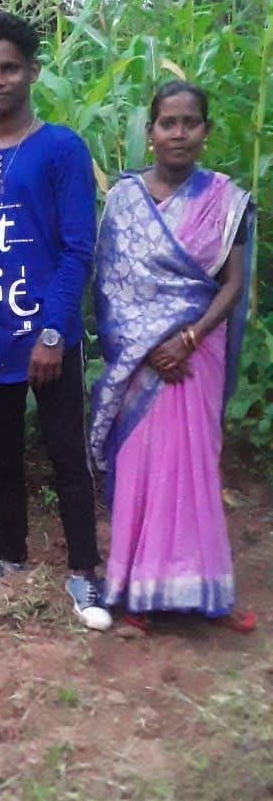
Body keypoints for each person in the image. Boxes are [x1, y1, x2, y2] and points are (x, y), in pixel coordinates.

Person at [0, 10, 111, 630]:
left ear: (33, 72)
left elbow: (77, 249)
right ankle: (10, 554)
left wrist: (52, 331)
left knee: (68, 455)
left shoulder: (61, 149)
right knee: (1, 456)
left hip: (48, 338)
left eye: (9, 68)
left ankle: (84, 570)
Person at [90, 81, 255, 629]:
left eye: (190, 123)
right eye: (168, 123)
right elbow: (111, 289)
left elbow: (233, 284)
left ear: (206, 131)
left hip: (197, 351)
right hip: (139, 361)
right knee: (144, 468)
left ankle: (206, 589)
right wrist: (145, 346)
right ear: (151, 131)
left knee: (194, 467)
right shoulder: (124, 201)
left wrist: (188, 338)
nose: (178, 133)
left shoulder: (226, 201)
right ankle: (137, 592)